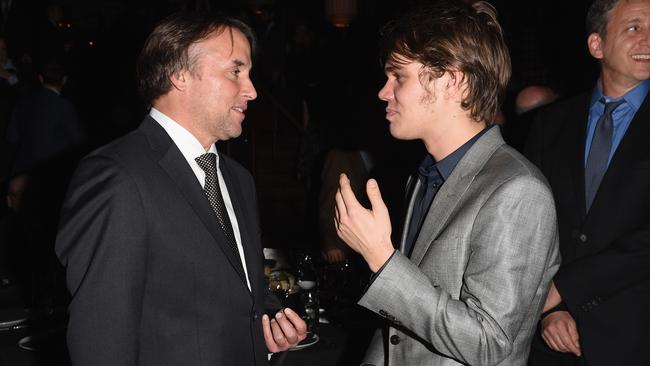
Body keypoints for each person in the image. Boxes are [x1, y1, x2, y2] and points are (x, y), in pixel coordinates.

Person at [55, 12, 306, 366]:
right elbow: (102, 339)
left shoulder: (238, 180)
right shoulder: (119, 177)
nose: (251, 90)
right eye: (236, 71)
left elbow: (238, 295)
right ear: (179, 75)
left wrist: (270, 325)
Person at [334, 1, 560, 365]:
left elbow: (488, 344)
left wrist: (381, 257)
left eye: (399, 77)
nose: (383, 92)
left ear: (452, 81)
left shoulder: (518, 190)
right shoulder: (426, 177)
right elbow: (398, 330)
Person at [525, 0, 650, 365]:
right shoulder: (550, 123)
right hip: (551, 342)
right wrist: (546, 311)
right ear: (596, 45)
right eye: (634, 28)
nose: (648, 40)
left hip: (637, 340)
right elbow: (532, 226)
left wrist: (564, 289)